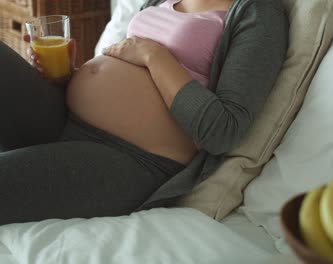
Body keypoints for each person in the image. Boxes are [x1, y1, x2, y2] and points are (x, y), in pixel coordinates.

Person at [0, 0, 288, 225]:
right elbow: (127, 67)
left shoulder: (257, 13)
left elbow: (223, 131)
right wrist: (69, 76)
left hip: (129, 158)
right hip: (64, 112)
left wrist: (154, 56)